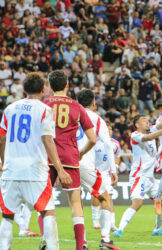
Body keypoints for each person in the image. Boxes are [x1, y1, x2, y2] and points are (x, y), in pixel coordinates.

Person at [0, 72, 72, 249]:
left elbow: (1, 139)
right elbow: (48, 140)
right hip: (35, 170)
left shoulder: (10, 108)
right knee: (47, 212)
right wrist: (61, 170)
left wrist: (4, 162)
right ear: (43, 89)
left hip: (11, 170)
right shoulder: (44, 110)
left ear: (24, 90)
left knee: (7, 215)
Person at [43, 70, 96, 250]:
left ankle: (47, 241)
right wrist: (81, 153)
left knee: (46, 201)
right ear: (67, 85)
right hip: (69, 157)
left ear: (50, 86)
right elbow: (93, 139)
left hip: (47, 157)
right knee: (75, 202)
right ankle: (80, 246)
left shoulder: (44, 105)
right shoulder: (77, 106)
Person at [113, 115, 162, 238]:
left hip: (150, 177)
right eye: (143, 120)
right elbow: (149, 136)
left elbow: (159, 125)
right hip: (139, 175)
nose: (146, 121)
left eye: (147, 119)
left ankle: (157, 229)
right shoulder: (135, 135)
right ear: (137, 125)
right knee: (137, 203)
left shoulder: (152, 131)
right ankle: (119, 229)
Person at [76, 89, 119, 249]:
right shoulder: (96, 118)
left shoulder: (71, 115)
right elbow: (108, 144)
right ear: (93, 103)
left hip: (68, 163)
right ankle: (105, 240)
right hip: (85, 162)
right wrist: (113, 171)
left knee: (76, 202)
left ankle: (82, 243)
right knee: (105, 198)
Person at [92, 124, 121, 233]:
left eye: (110, 129)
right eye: (107, 129)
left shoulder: (115, 144)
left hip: (108, 174)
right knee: (97, 196)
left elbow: (118, 155)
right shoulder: (95, 142)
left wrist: (116, 167)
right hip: (96, 172)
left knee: (109, 197)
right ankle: (95, 220)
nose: (109, 131)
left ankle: (112, 224)